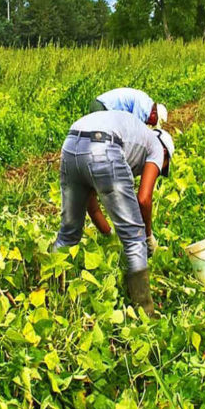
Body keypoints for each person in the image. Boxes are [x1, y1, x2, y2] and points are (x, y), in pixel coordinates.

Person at [53, 109, 174, 315]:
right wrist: (147, 237)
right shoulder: (155, 146)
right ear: (165, 154)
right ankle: (146, 315)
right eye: (163, 168)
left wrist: (109, 235)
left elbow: (90, 199)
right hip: (104, 146)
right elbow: (144, 199)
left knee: (67, 235)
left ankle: (53, 300)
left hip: (71, 144)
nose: (157, 172)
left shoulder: (136, 135)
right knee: (134, 240)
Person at [89, 88, 167, 126]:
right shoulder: (142, 106)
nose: (152, 125)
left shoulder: (146, 104)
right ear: (154, 114)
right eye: (154, 123)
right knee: (99, 137)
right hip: (101, 106)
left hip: (107, 110)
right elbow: (134, 129)